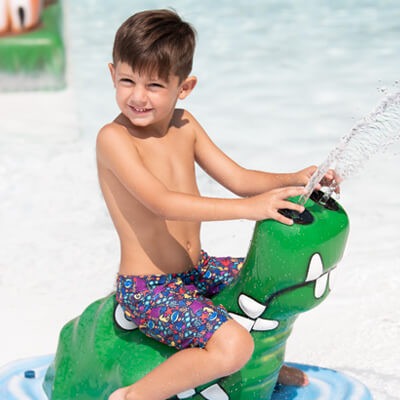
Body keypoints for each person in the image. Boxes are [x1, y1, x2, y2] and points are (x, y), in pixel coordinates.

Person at [97, 9, 335, 400]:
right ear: (112, 74)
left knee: (275, 282)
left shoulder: (185, 125)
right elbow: (162, 203)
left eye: (154, 85)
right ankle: (133, 395)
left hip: (197, 270)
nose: (138, 96)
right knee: (233, 346)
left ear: (184, 86)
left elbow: (239, 179)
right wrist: (250, 209)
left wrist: (295, 178)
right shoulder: (114, 139)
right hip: (149, 288)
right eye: (127, 81)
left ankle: (264, 365)